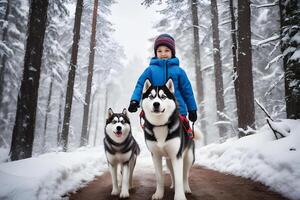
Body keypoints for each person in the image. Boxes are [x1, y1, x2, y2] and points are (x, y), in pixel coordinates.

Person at [128, 34, 197, 136]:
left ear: (172, 52)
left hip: (177, 112)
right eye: (159, 51)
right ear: (155, 53)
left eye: (167, 50)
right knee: (158, 138)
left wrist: (192, 109)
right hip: (155, 112)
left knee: (179, 138)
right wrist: (135, 100)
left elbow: (187, 91)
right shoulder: (150, 71)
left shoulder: (179, 71)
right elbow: (140, 85)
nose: (163, 53)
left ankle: (183, 148)